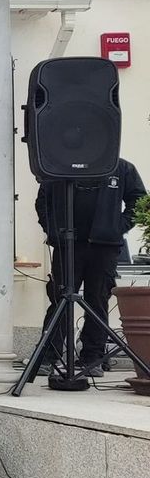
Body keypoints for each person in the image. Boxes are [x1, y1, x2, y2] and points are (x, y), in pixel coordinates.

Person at [36, 158, 146, 376]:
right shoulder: (60, 164)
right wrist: (54, 230)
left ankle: (92, 358)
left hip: (104, 247)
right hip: (67, 244)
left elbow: (140, 200)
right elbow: (43, 202)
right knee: (60, 300)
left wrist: (117, 228)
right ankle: (48, 356)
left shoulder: (121, 167)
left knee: (97, 301)